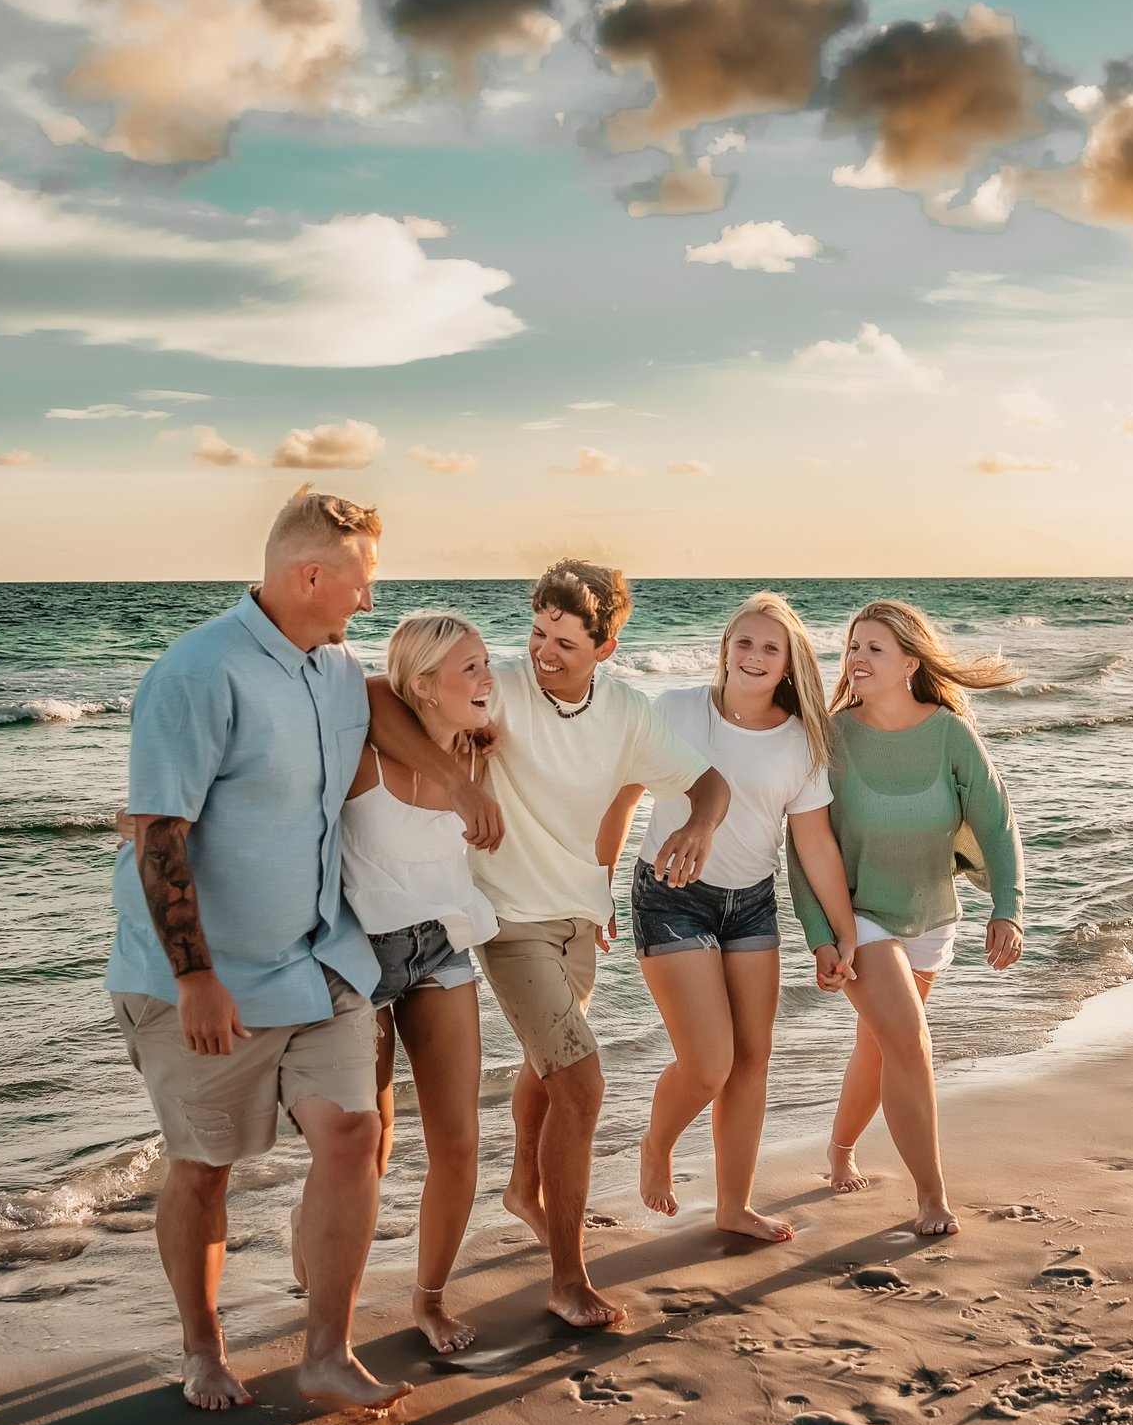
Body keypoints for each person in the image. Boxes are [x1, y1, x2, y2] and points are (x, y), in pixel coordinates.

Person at [104, 491, 490, 1416]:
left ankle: (327, 1352)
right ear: (310, 574)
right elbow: (158, 829)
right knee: (203, 1167)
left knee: (354, 1136)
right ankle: (203, 1352)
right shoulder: (199, 675)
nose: (369, 600)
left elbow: (379, 713)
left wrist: (451, 779)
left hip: (320, 958)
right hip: (205, 976)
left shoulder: (333, 666)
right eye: (362, 581)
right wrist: (195, 977)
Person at [370, 558, 728, 1329]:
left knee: (550, 1066)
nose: (543, 653)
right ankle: (567, 1279)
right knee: (581, 1082)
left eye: (565, 642)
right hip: (507, 918)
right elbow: (379, 700)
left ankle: (525, 1189)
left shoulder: (627, 713)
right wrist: (462, 785)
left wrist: (698, 826)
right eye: (537, 633)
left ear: (606, 645)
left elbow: (708, 783)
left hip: (578, 915)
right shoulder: (493, 682)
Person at [605, 591, 860, 1242]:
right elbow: (625, 795)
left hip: (750, 903)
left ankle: (733, 1207)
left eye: (769, 648)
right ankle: (657, 1145)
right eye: (743, 642)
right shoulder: (678, 710)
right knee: (707, 1064)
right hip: (669, 897)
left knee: (752, 1061)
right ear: (724, 649)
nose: (753, 656)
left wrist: (837, 931)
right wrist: (594, 884)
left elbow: (815, 844)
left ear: (787, 664)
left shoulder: (803, 741)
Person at [789, 599, 1026, 1238]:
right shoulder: (832, 735)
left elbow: (995, 823)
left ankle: (839, 1150)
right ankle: (931, 1196)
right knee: (909, 1044)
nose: (857, 659)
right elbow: (805, 846)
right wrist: (822, 935)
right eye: (852, 647)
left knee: (881, 1044)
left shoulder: (950, 733)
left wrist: (1008, 909)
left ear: (909, 665)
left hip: (931, 918)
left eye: (874, 649)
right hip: (858, 917)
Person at [325, 610, 499, 1355]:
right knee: (369, 1145)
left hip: (443, 949)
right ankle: (335, 1287)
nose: (489, 676)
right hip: (362, 959)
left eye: (487, 661)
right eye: (470, 667)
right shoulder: (365, 753)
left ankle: (428, 1300)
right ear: (424, 685)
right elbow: (366, 687)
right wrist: (458, 785)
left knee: (459, 1141)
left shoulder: (483, 742)